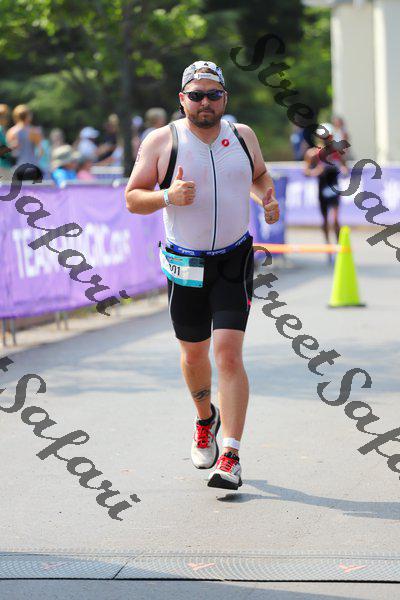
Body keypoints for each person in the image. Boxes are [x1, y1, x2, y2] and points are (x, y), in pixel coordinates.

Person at [125, 60, 279, 490]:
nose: (205, 102)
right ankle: (205, 419)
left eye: (213, 95)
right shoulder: (162, 140)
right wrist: (167, 196)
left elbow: (259, 176)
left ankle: (230, 455)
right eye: (196, 95)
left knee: (228, 354)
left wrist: (266, 199)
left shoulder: (242, 136)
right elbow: (132, 198)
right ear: (182, 99)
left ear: (225, 98)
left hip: (234, 259)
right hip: (186, 262)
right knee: (195, 356)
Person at [304, 122, 348, 251]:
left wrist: (343, 169)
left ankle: (339, 246)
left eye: (328, 136)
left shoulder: (337, 151)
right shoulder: (312, 153)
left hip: (334, 187)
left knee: (335, 219)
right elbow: (306, 171)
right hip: (322, 188)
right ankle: (328, 247)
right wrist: (317, 171)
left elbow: (344, 166)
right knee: (325, 220)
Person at [6, 104, 43, 181]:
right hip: (32, 166)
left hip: (17, 168)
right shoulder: (35, 131)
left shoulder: (11, 132)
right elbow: (40, 152)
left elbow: (9, 151)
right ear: (29, 116)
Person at [0, 104, 13, 181]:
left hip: (5, 165)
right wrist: (11, 147)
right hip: (2, 166)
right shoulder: (0, 130)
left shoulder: (3, 130)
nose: (7, 118)